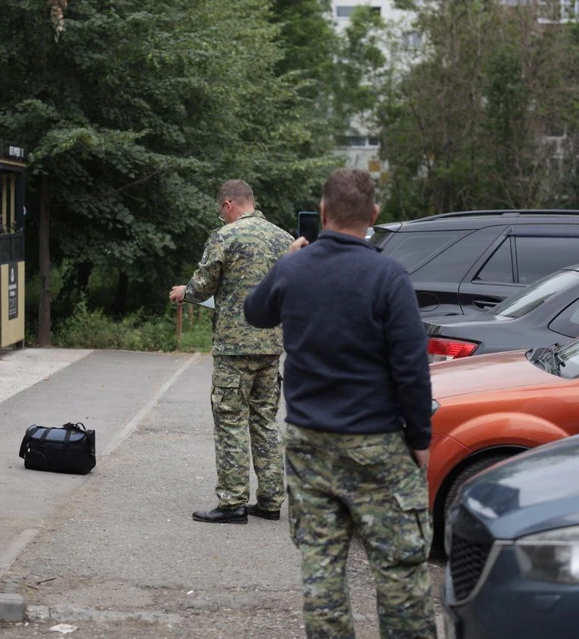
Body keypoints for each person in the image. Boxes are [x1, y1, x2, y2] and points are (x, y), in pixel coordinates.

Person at [244, 168, 436, 639]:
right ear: (373, 216)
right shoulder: (388, 275)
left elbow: (254, 312)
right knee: (399, 571)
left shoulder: (293, 269)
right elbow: (411, 368)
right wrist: (420, 440)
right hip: (376, 444)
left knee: (323, 572)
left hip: (309, 446)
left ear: (323, 212)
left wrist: (285, 261)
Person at [169, 179, 293, 525]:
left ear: (228, 205)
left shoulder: (224, 237)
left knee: (230, 421)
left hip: (234, 348)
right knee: (265, 420)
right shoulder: (283, 238)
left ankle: (233, 502)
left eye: (221, 211)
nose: (221, 218)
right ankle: (270, 500)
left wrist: (186, 292)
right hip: (270, 346)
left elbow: (205, 283)